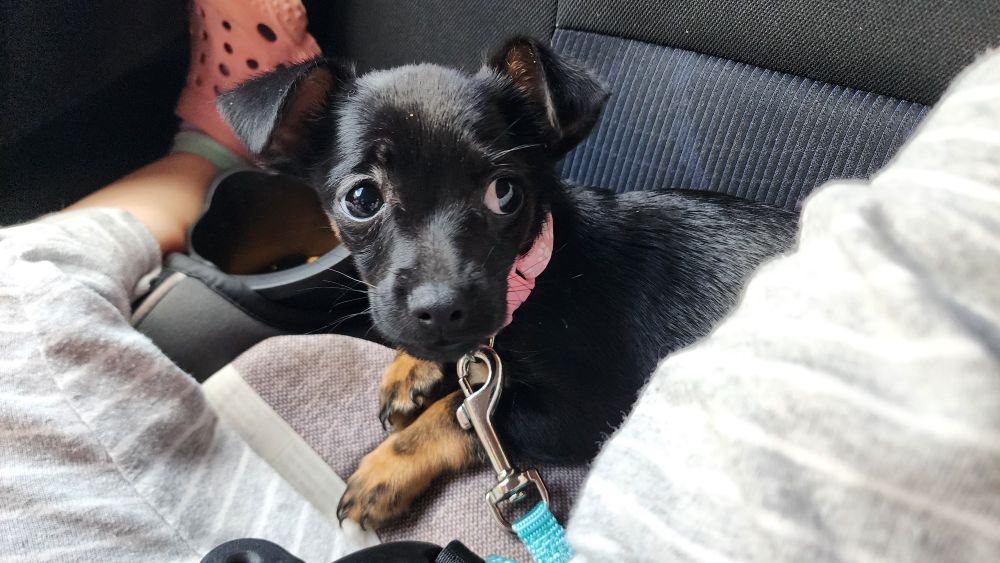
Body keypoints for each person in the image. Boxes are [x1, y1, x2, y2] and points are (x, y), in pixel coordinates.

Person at [1, 1, 998, 561]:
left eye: (498, 194)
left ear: (543, 154)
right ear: (299, 154)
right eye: (366, 200)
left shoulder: (593, 277)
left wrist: (441, 434)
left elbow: (575, 412)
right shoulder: (482, 279)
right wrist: (446, 360)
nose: (437, 282)